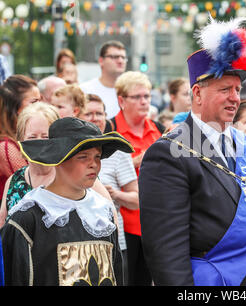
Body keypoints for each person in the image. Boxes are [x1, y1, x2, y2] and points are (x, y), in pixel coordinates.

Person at [139, 16, 246, 286]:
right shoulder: (168, 152)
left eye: (237, 89)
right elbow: (166, 251)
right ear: (197, 93)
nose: (235, 98)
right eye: (225, 89)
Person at [0, 117, 134, 285]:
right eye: (83, 157)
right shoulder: (28, 218)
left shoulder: (102, 213)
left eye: (97, 156)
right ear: (59, 159)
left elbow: (115, 274)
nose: (94, 164)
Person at [0, 102, 114, 227]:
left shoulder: (76, 175)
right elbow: (3, 225)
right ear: (21, 139)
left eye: (46, 137)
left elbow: (110, 217)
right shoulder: (14, 181)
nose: (39, 143)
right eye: (32, 137)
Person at [79, 93, 139, 285]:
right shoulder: (68, 155)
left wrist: (114, 194)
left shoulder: (118, 153)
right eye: (89, 113)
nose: (95, 118)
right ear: (78, 116)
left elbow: (138, 199)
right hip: (78, 242)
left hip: (115, 241)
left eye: (100, 113)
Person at [111, 70, 161, 285]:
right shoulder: (110, 130)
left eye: (147, 96)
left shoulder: (158, 130)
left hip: (154, 221)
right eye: (137, 97)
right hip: (122, 223)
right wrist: (133, 163)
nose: (144, 102)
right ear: (121, 100)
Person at [0, 75, 41, 200]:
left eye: (41, 100)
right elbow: (33, 186)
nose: (41, 106)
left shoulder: (26, 137)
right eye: (34, 102)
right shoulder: (6, 147)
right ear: (15, 107)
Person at [80, 40, 127, 119]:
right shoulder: (85, 89)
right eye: (114, 57)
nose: (120, 61)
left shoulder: (130, 92)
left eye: (123, 57)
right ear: (101, 61)